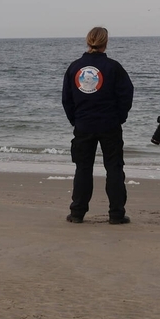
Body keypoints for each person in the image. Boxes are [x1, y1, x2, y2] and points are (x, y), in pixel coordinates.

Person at [61, 27, 134, 224]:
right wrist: (120, 116)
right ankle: (116, 214)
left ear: (88, 41)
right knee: (114, 168)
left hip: (85, 124)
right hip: (109, 124)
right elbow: (126, 93)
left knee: (83, 168)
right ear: (105, 42)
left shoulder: (75, 67)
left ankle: (77, 212)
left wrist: (75, 119)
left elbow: (66, 99)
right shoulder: (113, 67)